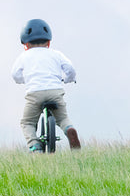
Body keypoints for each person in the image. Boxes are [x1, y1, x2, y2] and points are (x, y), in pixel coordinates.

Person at [11, 18, 81, 151]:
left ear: (26, 44)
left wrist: (24, 80)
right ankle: (69, 129)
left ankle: (34, 145)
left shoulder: (24, 56)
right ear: (48, 42)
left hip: (35, 94)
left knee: (27, 122)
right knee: (63, 118)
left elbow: (15, 74)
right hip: (55, 91)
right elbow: (70, 69)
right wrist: (68, 79)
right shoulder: (56, 54)